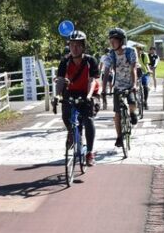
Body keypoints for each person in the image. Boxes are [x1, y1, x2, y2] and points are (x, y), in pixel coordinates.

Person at [55, 30, 100, 166]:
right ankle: (71, 132)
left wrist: (89, 95)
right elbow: (61, 80)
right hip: (71, 92)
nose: (74, 48)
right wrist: (57, 95)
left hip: (87, 92)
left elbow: (92, 80)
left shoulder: (90, 60)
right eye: (72, 45)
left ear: (83, 46)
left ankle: (90, 153)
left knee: (88, 119)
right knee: (66, 115)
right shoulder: (65, 61)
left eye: (78, 45)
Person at [101, 28, 139, 148]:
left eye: (115, 41)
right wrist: (103, 90)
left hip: (129, 84)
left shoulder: (131, 51)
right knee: (117, 113)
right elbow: (106, 72)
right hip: (118, 85)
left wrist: (134, 85)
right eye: (110, 41)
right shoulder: (110, 55)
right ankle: (119, 137)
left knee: (132, 102)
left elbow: (133, 68)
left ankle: (133, 113)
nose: (112, 43)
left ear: (121, 41)